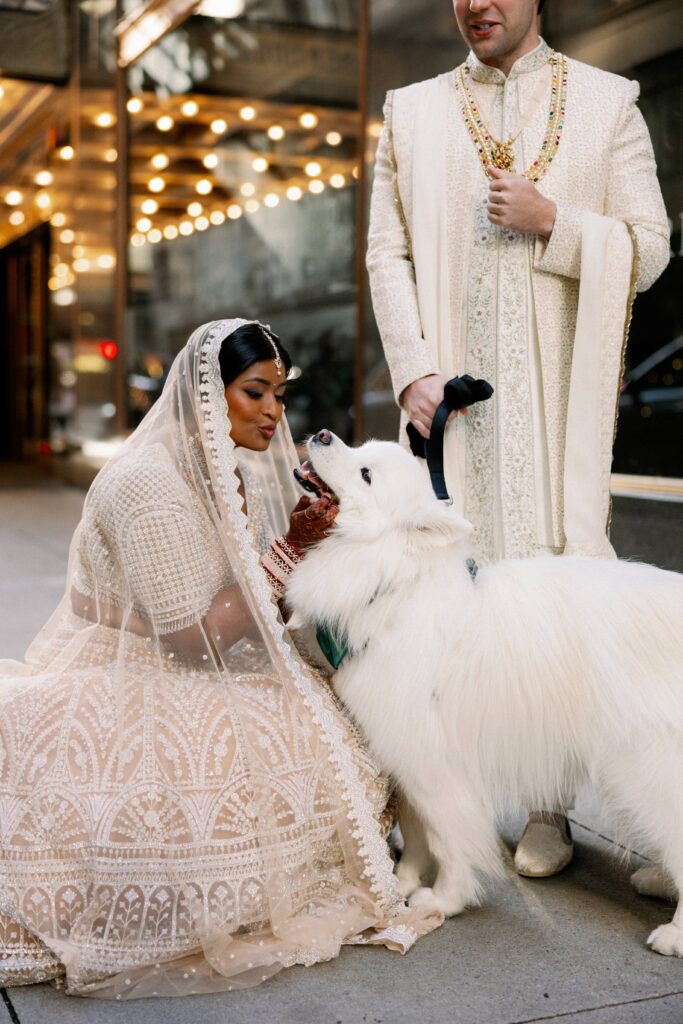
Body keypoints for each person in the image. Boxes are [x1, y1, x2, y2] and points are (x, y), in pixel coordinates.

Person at [0, 319, 439, 999]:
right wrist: (290, 548)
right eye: (255, 392)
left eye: (280, 395)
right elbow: (187, 637)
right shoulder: (148, 484)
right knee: (308, 750)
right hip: (143, 676)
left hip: (198, 657)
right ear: (209, 392)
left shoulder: (211, 464)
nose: (272, 411)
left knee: (343, 713)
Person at [366, 0, 670, 878]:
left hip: (551, 410)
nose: (476, 4)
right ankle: (446, 803)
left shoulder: (609, 102)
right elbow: (387, 256)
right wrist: (413, 369)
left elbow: (648, 248)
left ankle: (547, 809)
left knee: (559, 602)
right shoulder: (410, 110)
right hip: (449, 412)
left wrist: (557, 224)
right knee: (444, 603)